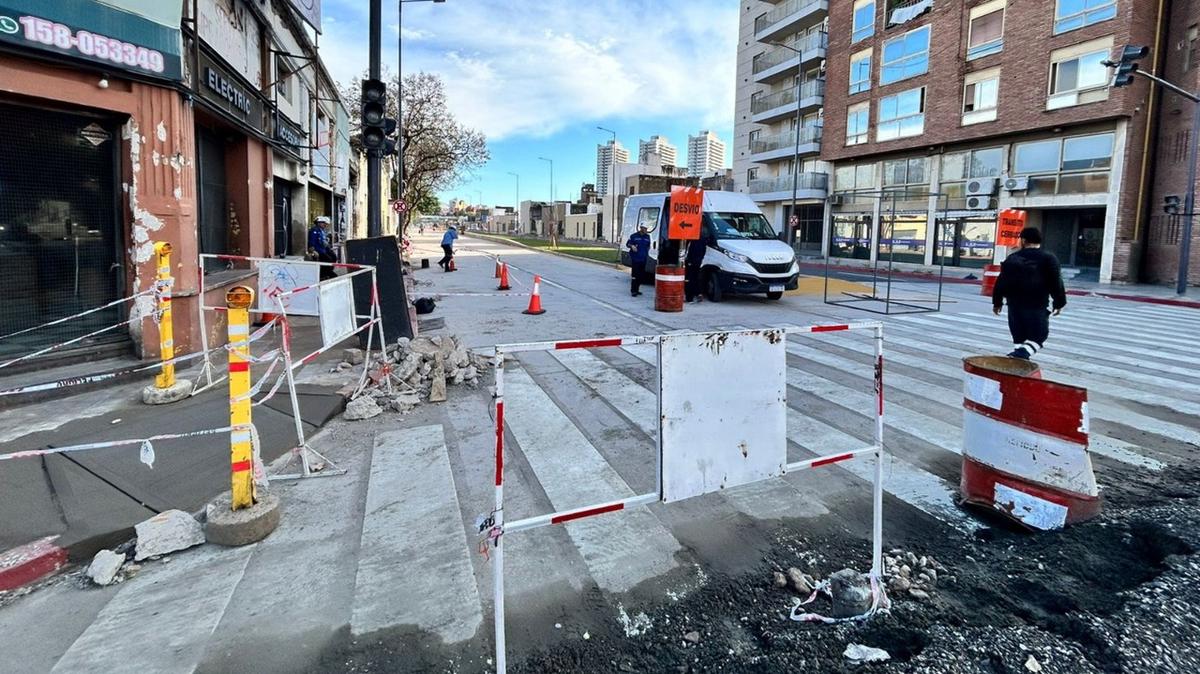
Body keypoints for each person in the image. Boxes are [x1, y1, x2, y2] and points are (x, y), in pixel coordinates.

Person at [992, 226, 1067, 360]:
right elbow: (1056, 282)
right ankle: (1021, 357)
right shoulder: (1048, 258)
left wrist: (997, 302)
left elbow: (1001, 281)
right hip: (1036, 304)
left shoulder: (1013, 258)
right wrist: (1059, 302)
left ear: (1024, 240)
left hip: (1014, 305)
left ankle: (1018, 362)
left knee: (1019, 337)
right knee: (1038, 336)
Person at [684, 228, 711, 303]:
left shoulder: (695, 240)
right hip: (697, 261)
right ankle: (698, 293)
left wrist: (690, 261)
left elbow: (693, 251)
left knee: (690, 279)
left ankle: (690, 298)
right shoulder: (701, 239)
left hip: (692, 261)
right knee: (695, 278)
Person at [626, 224, 651, 296]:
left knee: (641, 275)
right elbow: (628, 244)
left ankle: (637, 289)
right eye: (645, 228)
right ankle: (633, 290)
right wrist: (632, 246)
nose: (646, 230)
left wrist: (646, 252)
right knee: (635, 275)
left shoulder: (647, 237)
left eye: (647, 228)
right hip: (635, 259)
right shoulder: (634, 236)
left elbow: (648, 245)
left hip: (643, 259)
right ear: (641, 228)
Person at [308, 216, 336, 280]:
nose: (325, 225)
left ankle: (328, 272)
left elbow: (324, 241)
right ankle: (323, 275)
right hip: (318, 250)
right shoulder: (314, 230)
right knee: (328, 259)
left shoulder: (322, 231)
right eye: (324, 223)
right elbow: (312, 241)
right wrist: (313, 251)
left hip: (323, 249)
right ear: (319, 223)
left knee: (333, 257)